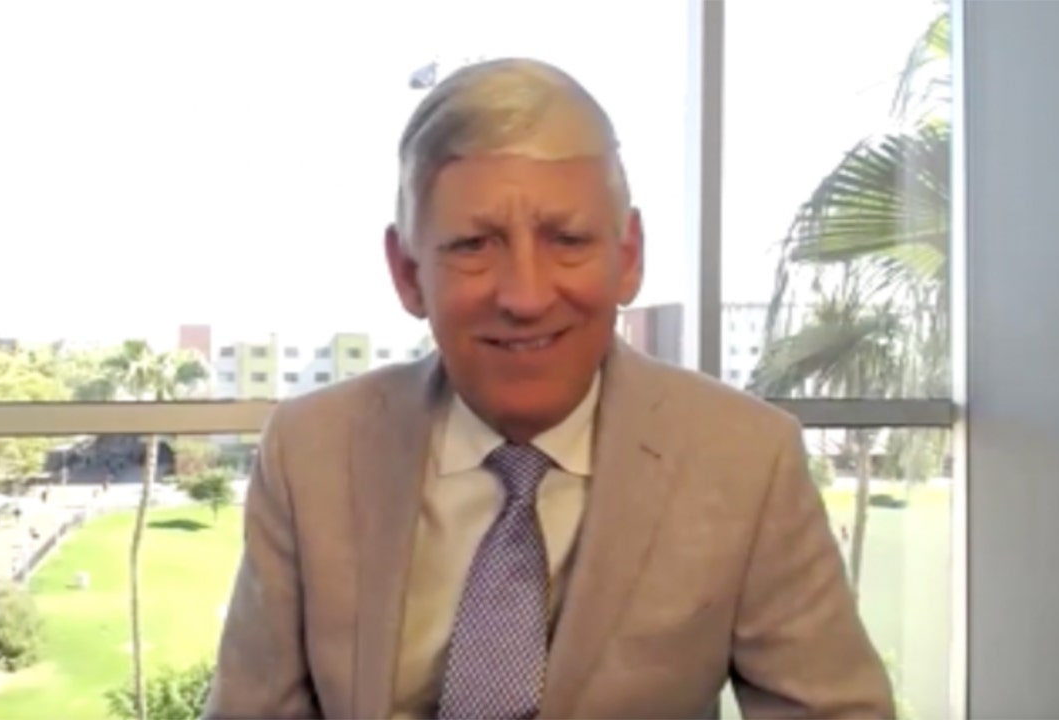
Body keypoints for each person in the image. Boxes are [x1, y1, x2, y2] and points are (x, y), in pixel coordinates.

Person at [206, 58, 893, 719]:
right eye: (474, 245)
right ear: (408, 273)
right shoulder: (311, 452)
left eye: (567, 239)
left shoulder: (744, 459)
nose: (526, 297)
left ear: (628, 257)